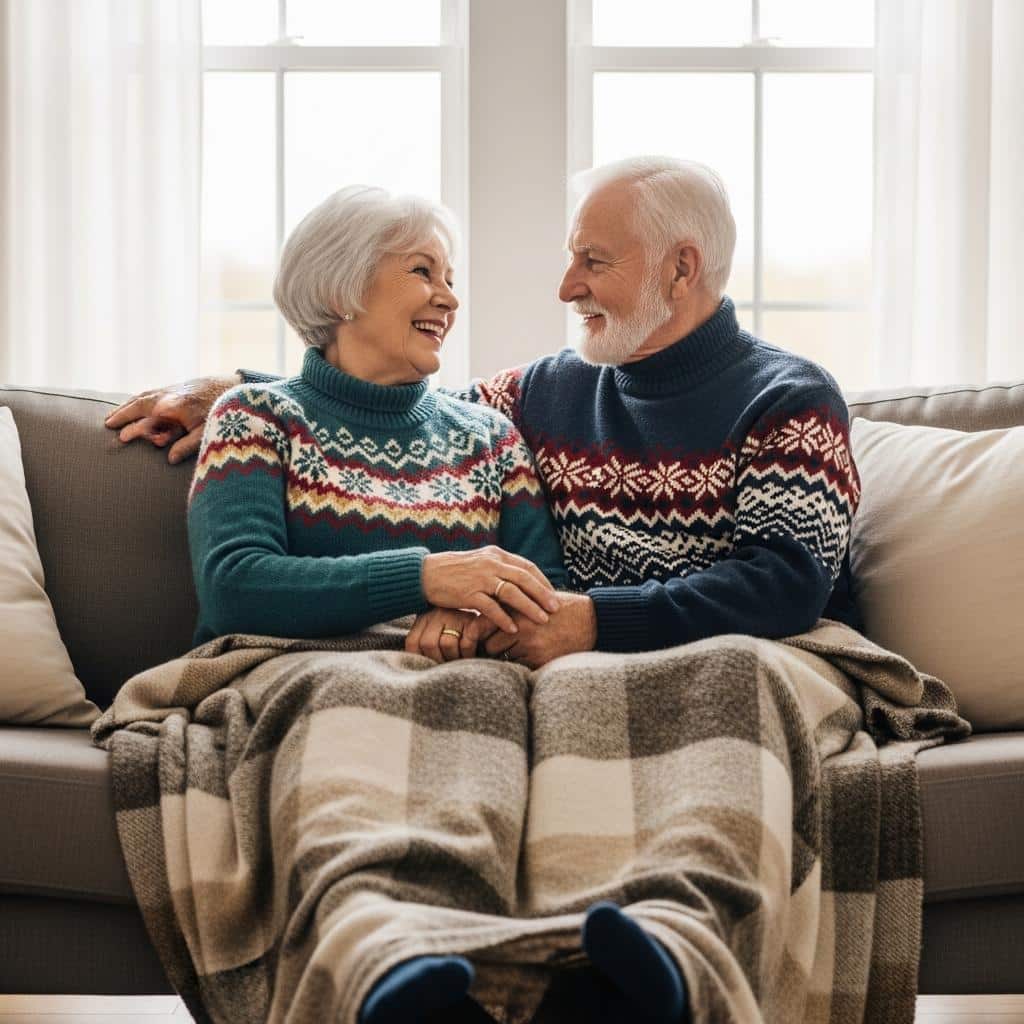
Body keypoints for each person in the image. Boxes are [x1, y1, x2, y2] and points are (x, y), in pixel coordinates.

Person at [106, 155, 863, 1023]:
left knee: (718, 673)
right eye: (424, 272)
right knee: (468, 699)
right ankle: (399, 963)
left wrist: (580, 620)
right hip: (564, 653)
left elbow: (784, 585)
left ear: (681, 269)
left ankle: (659, 965)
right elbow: (379, 410)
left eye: (593, 261)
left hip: (698, 649)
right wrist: (236, 388)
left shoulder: (789, 398)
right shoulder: (539, 393)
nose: (565, 285)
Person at [182, 183, 569, 1024]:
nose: (450, 296)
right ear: (339, 290)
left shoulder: (492, 440)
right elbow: (235, 582)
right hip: (303, 679)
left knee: (505, 716)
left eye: (451, 276)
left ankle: (492, 974)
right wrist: (424, 577)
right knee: (352, 718)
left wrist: (470, 619)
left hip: (464, 684)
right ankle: (386, 972)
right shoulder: (254, 416)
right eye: (422, 271)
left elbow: (542, 595)